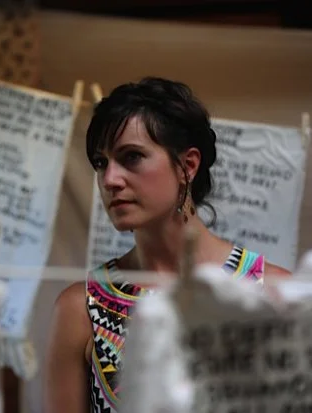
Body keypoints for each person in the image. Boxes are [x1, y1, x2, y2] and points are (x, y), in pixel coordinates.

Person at [43, 77, 291, 413]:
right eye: (101, 163)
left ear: (187, 165)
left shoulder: (274, 294)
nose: (110, 179)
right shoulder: (81, 308)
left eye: (131, 157)